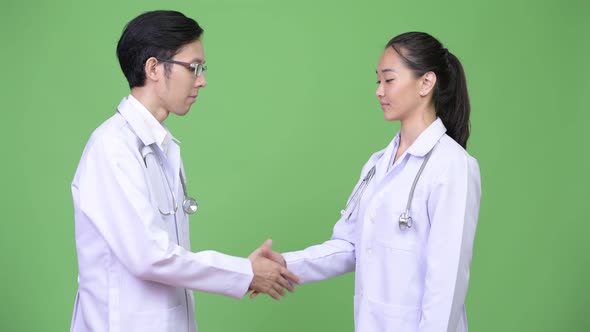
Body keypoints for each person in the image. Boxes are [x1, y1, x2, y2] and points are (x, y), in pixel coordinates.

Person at [69, 10, 299, 332]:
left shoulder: (163, 146)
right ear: (153, 68)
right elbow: (150, 256)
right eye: (193, 68)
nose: (202, 80)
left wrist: (246, 272)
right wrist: (244, 273)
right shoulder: (111, 147)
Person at [257, 32, 481, 331]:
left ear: (426, 83)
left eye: (389, 80)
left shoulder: (452, 165)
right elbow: (350, 246)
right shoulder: (377, 164)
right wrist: (284, 265)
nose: (379, 91)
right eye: (378, 81)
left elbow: (447, 282)